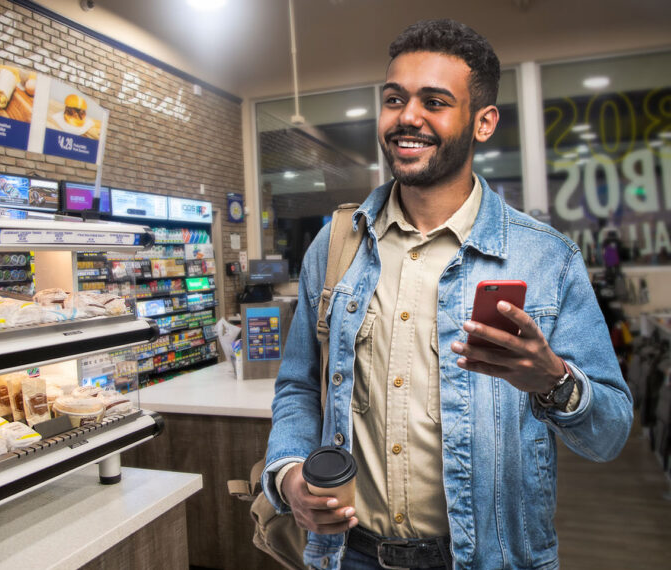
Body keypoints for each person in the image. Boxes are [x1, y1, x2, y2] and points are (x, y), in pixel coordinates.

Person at [261, 19, 633, 570]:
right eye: (394, 99)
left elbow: (610, 433)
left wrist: (553, 382)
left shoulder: (546, 259)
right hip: (349, 555)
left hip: (490, 558)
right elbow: (297, 387)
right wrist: (289, 472)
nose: (407, 117)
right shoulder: (336, 245)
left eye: (434, 101)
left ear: (483, 123)